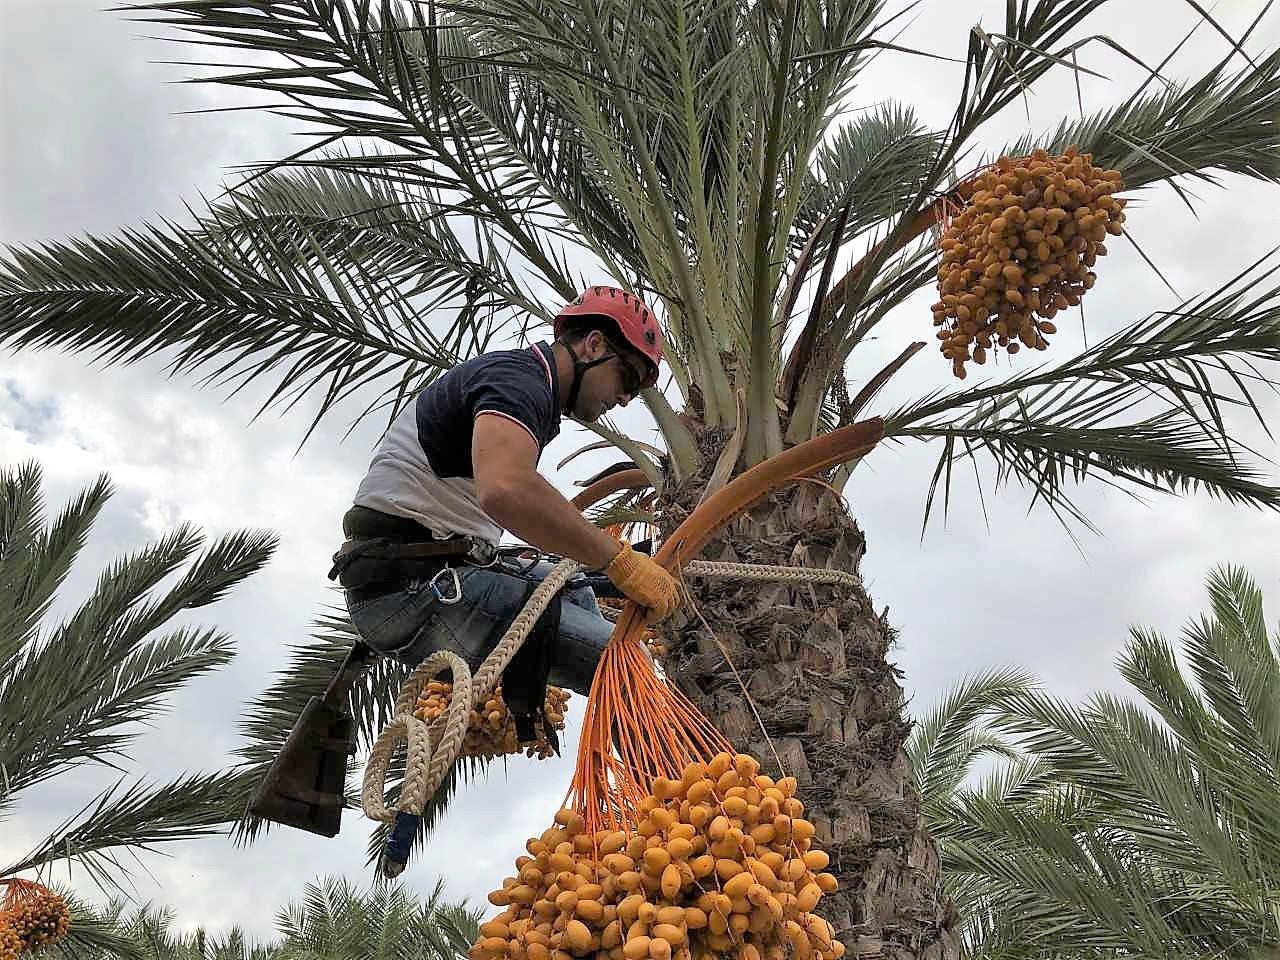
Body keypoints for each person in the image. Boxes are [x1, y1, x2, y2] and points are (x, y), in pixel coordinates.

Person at [331, 285, 683, 715]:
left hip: (427, 574)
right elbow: (506, 489)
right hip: (413, 591)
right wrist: (619, 559)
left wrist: (610, 567)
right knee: (630, 671)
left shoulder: (525, 383)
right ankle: (680, 777)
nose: (626, 398)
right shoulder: (519, 381)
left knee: (579, 591)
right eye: (628, 377)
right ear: (593, 346)